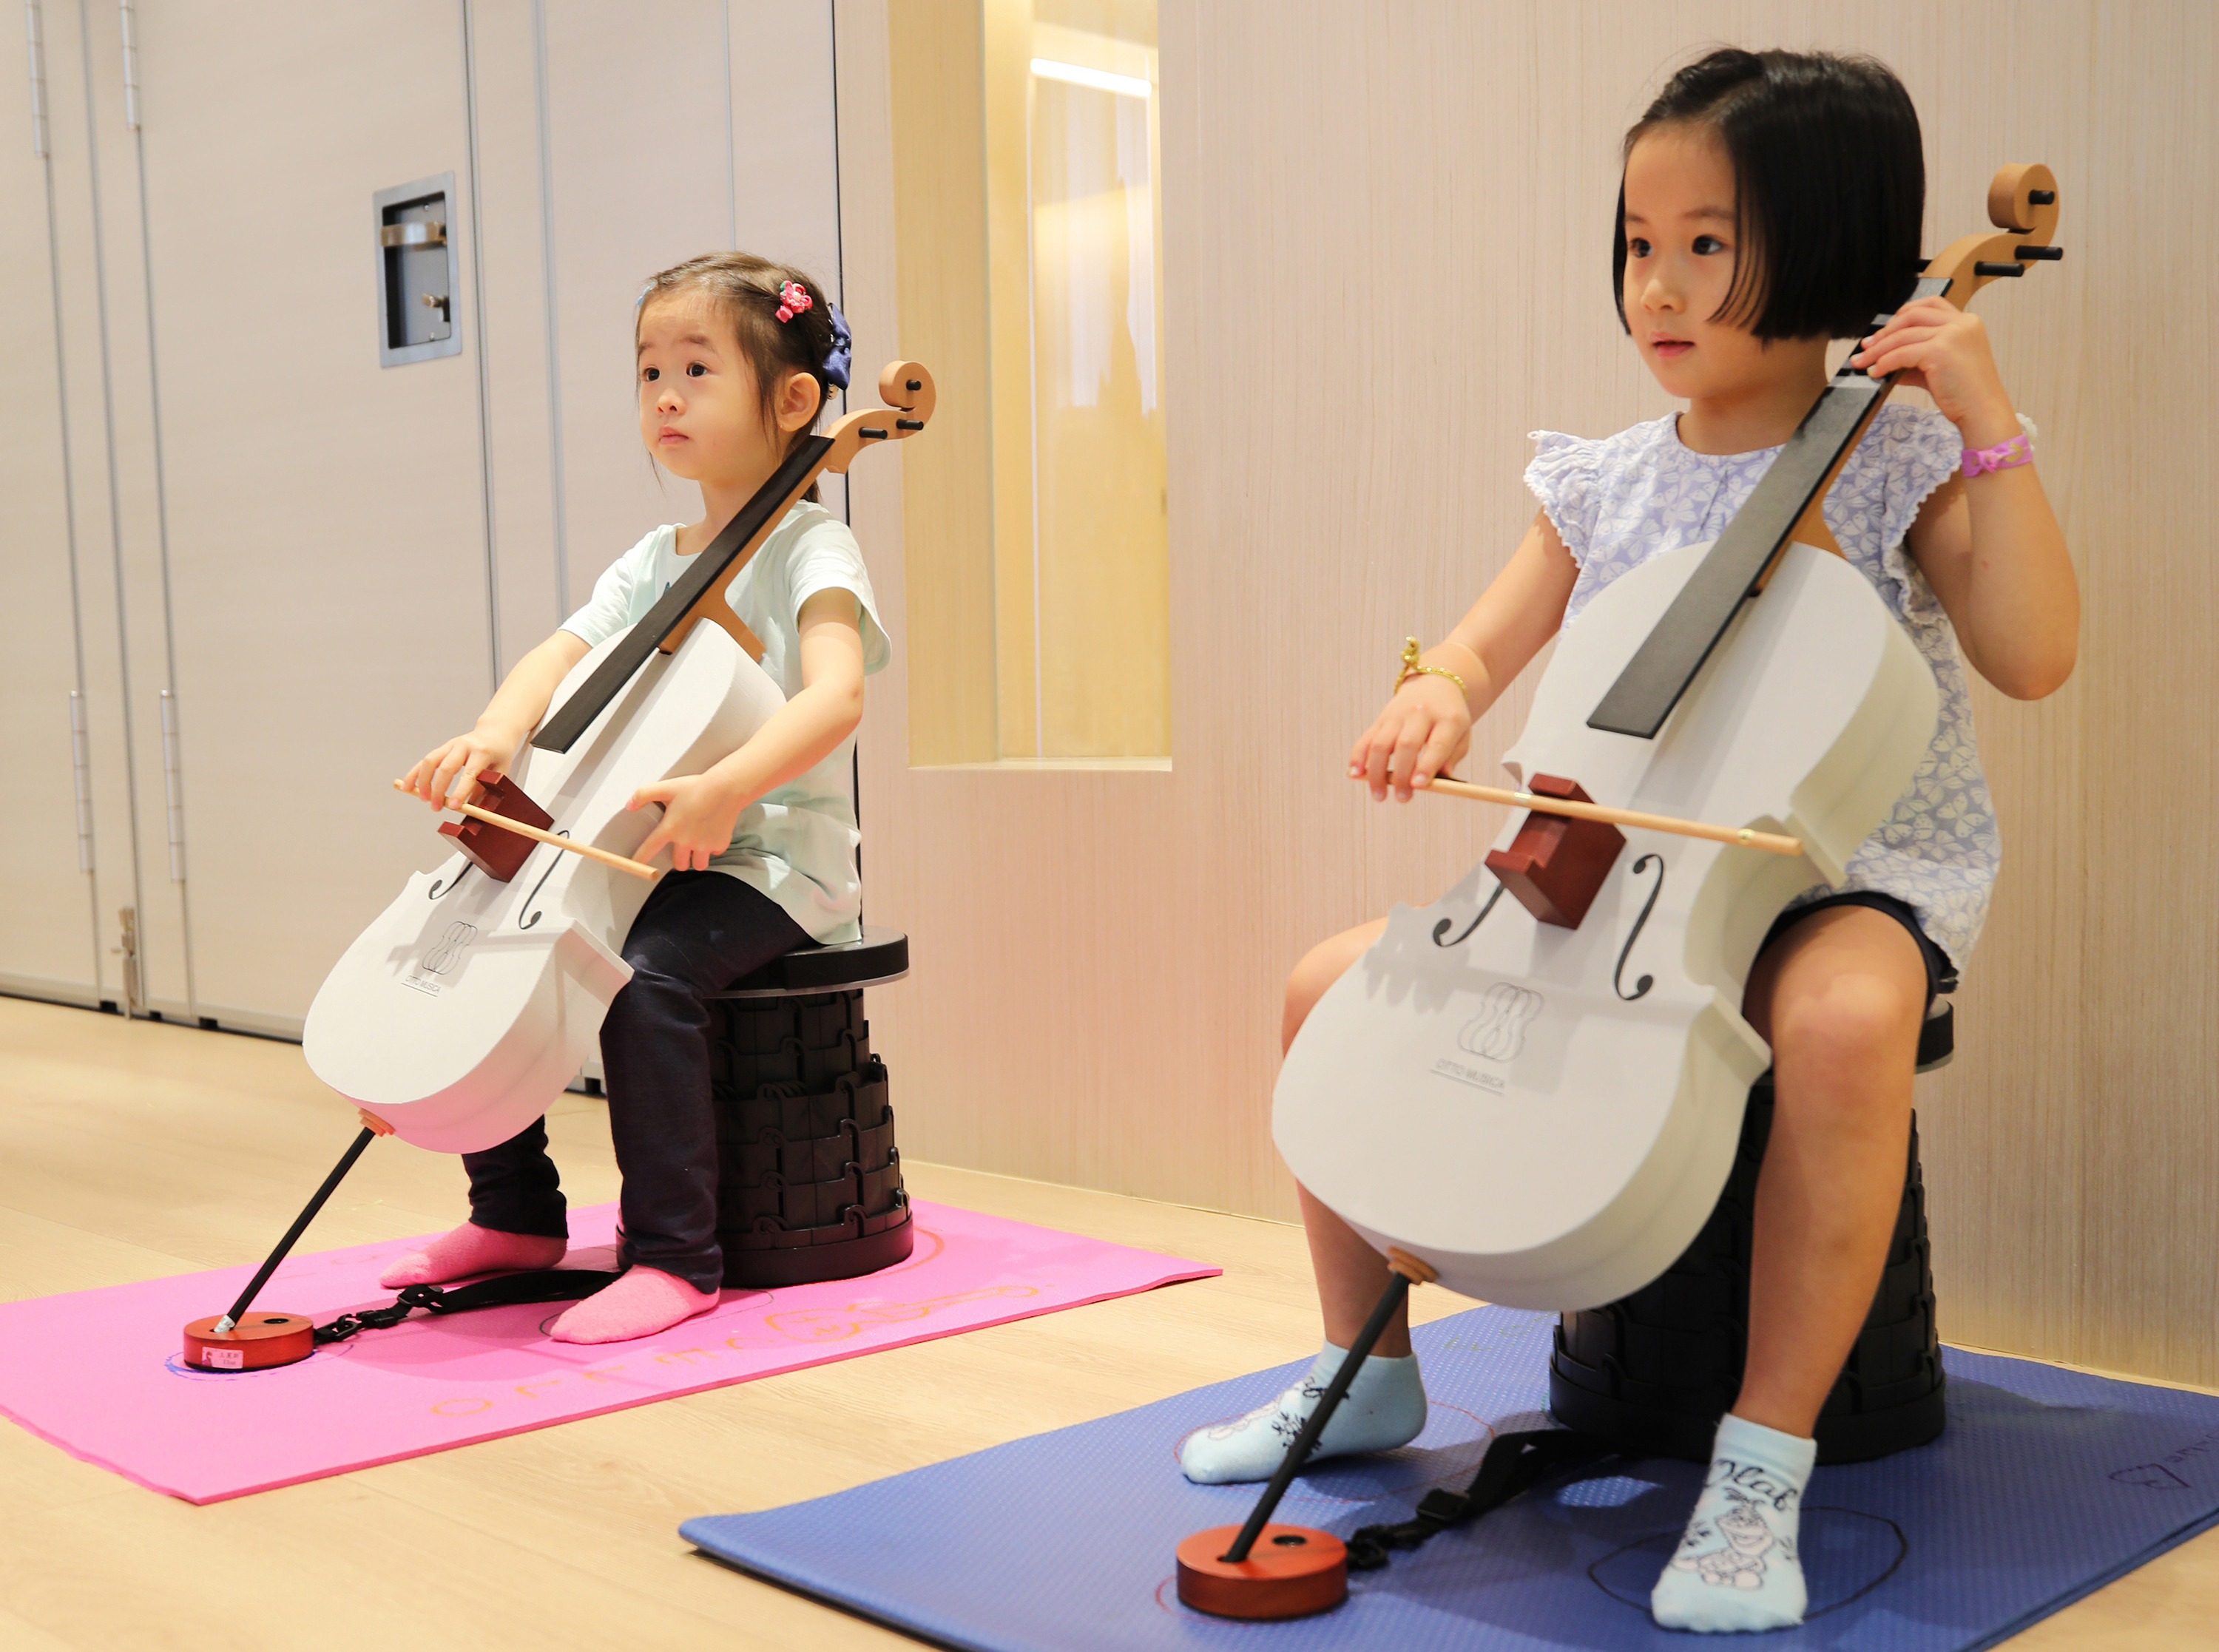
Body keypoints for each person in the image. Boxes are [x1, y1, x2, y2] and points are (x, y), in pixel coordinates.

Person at [1178, 48, 2077, 1634]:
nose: (1657, 284)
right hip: (1629, 876)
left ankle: (1765, 1455)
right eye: (1638, 242)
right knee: (1328, 985)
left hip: (1843, 874)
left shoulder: (1894, 458)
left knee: (1844, 1018)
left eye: (1707, 244)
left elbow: (2033, 652)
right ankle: (1362, 1367)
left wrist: (1987, 419)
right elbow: (1483, 642)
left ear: (1830, 241)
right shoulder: (1604, 481)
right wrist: (1439, 692)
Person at [382, 251, 888, 1346]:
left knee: (643, 977)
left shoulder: (812, 545)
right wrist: (496, 732)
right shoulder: (654, 560)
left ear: (792, 402)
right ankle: (513, 1217)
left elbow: (836, 696)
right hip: (656, 850)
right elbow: (556, 656)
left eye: (698, 369)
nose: (664, 394)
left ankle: (675, 1256)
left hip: (772, 867)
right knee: (501, 949)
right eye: (650, 370)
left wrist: (726, 787)